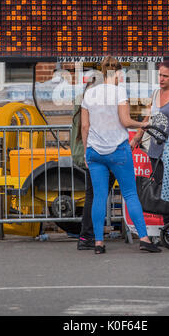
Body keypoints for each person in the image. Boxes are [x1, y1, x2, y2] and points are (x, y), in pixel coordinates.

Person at [81, 56, 162, 254]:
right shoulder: (119, 92)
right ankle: (144, 239)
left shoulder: (89, 94)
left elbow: (84, 126)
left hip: (95, 151)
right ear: (117, 72)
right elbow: (125, 121)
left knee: (99, 197)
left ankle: (98, 243)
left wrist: (86, 151)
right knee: (130, 194)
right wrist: (143, 124)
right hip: (118, 150)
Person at [130, 59, 169, 224]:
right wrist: (137, 137)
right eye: (160, 75)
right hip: (156, 150)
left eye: (165, 76)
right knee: (160, 188)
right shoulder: (155, 94)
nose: (161, 78)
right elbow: (146, 119)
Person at [70, 72, 115, 250]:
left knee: (94, 194)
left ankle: (87, 236)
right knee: (98, 195)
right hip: (100, 151)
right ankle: (89, 235)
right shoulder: (97, 103)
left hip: (86, 152)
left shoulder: (81, 99)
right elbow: (89, 127)